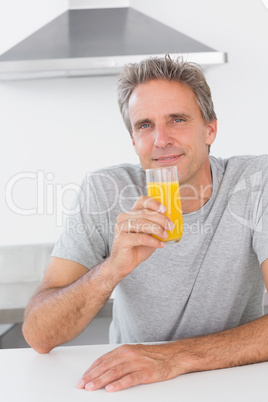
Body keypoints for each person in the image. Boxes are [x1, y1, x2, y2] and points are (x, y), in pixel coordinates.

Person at [23, 55, 268, 393]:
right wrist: (111, 269)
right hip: (134, 389)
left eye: (177, 119)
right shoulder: (104, 190)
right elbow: (38, 335)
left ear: (210, 128)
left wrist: (173, 358)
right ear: (133, 140)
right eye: (145, 125)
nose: (160, 140)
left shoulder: (256, 182)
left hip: (235, 383)